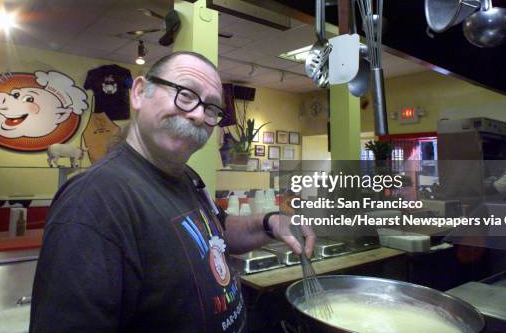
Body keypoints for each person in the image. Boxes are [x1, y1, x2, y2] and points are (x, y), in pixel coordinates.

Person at [29, 51, 315, 333]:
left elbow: (218, 231)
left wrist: (271, 222)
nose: (199, 114)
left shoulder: (186, 177)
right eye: (186, 94)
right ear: (139, 93)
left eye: (212, 108)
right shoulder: (94, 200)